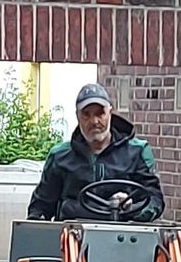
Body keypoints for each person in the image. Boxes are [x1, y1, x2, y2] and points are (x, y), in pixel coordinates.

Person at [27, 83, 165, 223]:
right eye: (87, 115)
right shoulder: (59, 157)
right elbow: (40, 207)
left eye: (100, 113)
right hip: (72, 237)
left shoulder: (138, 152)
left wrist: (132, 208)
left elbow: (155, 200)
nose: (94, 121)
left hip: (125, 236)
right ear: (77, 116)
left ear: (110, 113)